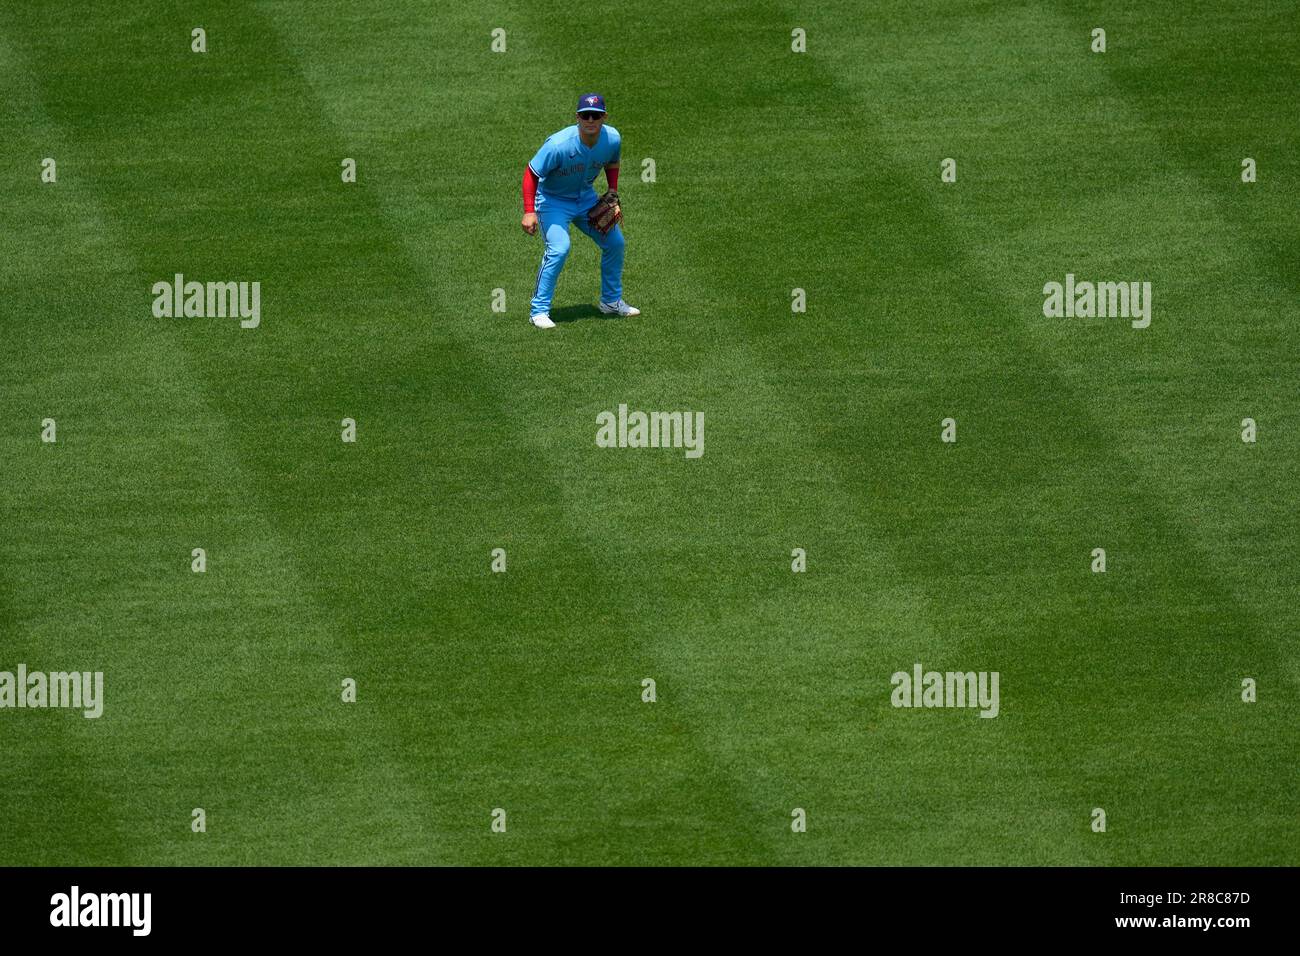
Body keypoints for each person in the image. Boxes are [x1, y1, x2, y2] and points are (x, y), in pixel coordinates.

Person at [521, 94, 640, 329]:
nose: (590, 120)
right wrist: (529, 211)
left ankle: (610, 301)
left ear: (604, 117)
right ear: (577, 117)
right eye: (585, 115)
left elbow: (612, 161)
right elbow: (531, 173)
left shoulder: (612, 138)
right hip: (552, 202)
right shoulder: (558, 144)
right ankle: (538, 311)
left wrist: (612, 190)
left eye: (596, 115)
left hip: (585, 199)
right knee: (559, 248)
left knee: (615, 242)